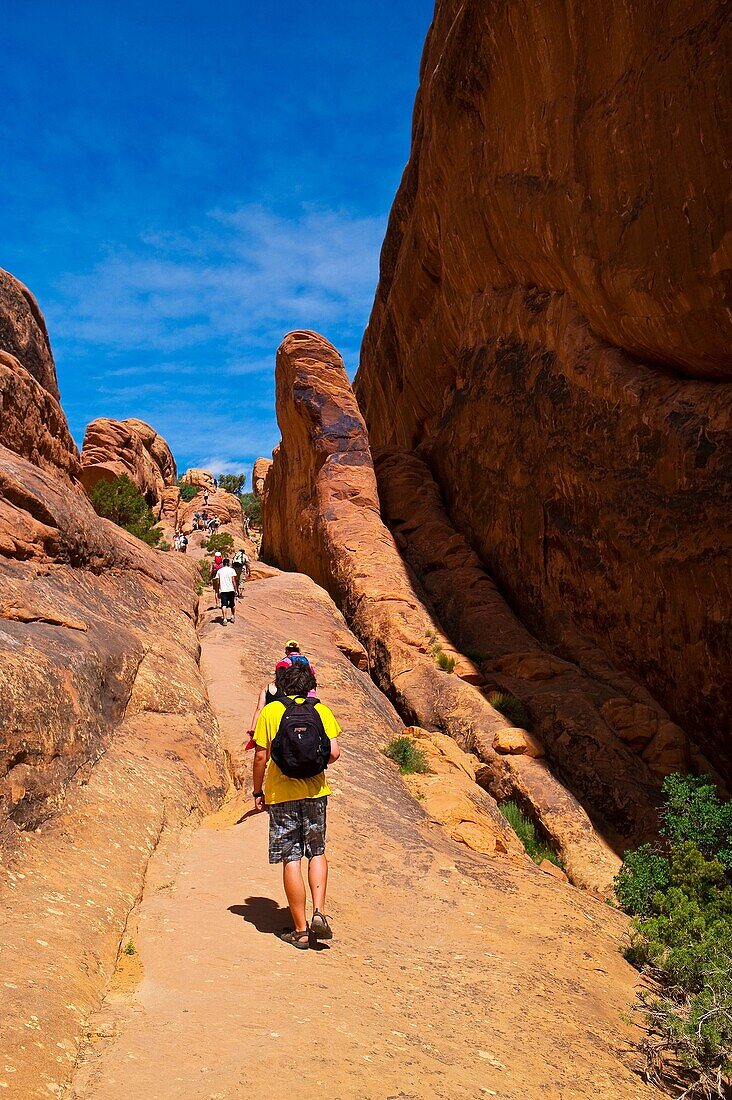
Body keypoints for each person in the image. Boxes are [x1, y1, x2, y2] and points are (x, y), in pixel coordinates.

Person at [252, 662, 341, 948]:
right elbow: (335, 753)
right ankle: (319, 912)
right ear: (309, 685)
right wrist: (310, 764)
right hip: (315, 792)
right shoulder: (321, 710)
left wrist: (257, 791)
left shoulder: (271, 711)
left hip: (282, 794)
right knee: (316, 851)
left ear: (283, 685)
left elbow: (260, 757)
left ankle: (300, 930)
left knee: (291, 857)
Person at [217, 557, 238, 625]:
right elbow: (233, 581)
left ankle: (225, 619)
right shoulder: (232, 570)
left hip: (223, 590)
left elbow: (218, 582)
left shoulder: (220, 571)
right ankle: (232, 616)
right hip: (231, 589)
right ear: (228, 563)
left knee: (224, 605)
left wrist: (218, 590)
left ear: (223, 564)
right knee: (232, 604)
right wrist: (235, 589)